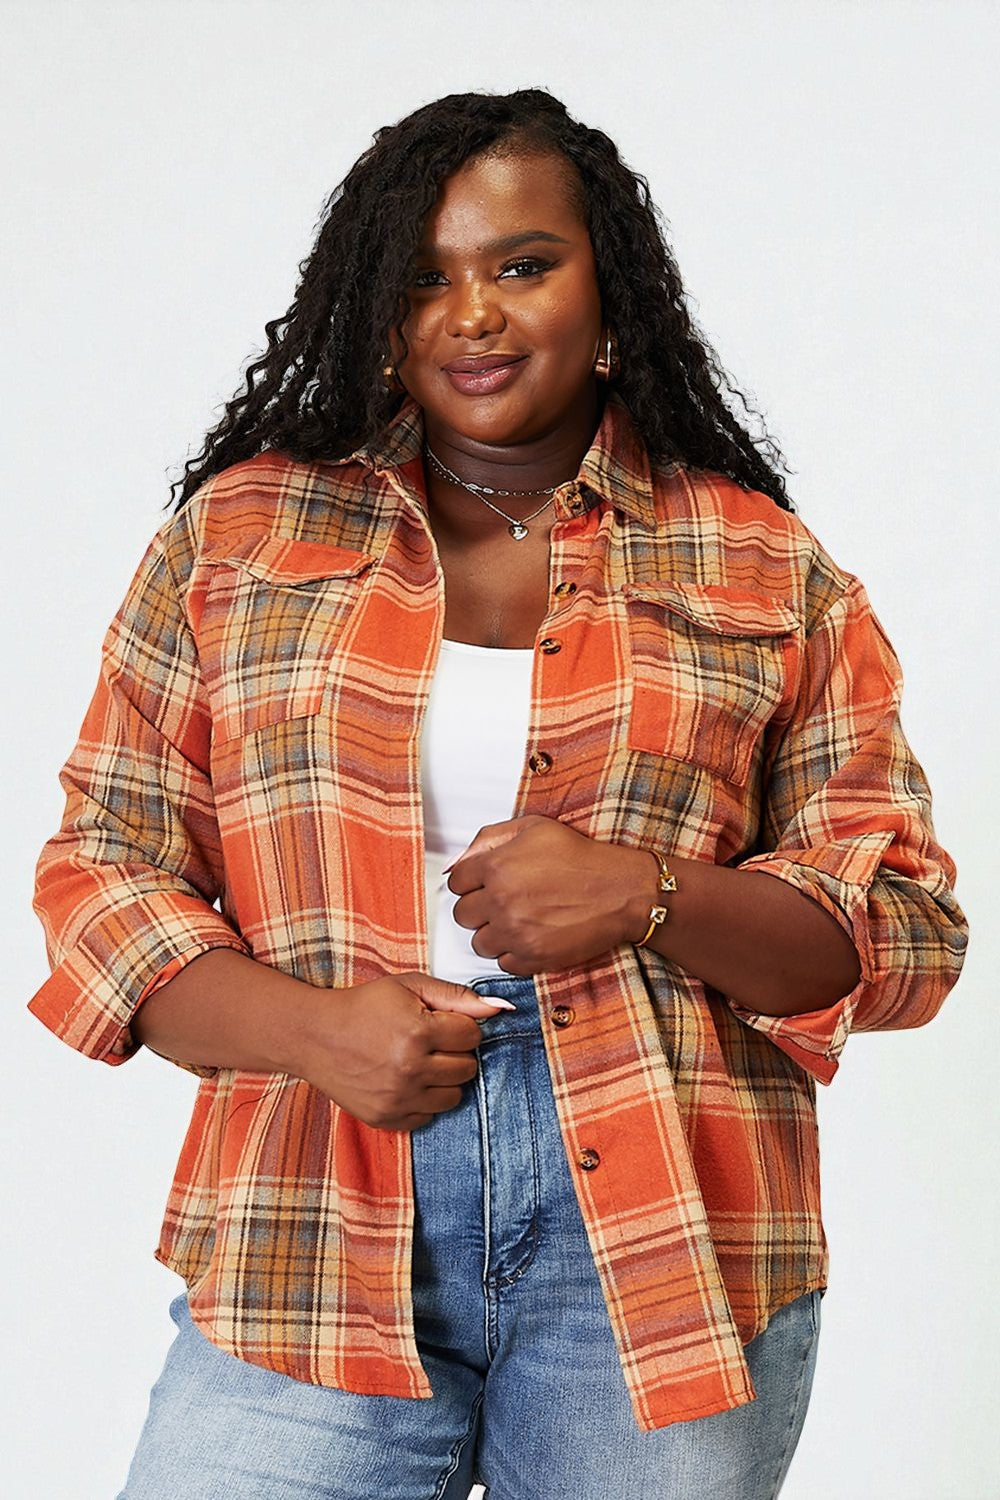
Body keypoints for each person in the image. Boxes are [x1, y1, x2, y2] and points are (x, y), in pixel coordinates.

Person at [29, 88, 967, 1500]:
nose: (473, 314)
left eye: (522, 264)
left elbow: (900, 931)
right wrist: (311, 1031)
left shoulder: (764, 566)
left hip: (664, 1230)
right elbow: (101, 872)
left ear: (611, 292)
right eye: (425, 278)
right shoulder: (240, 538)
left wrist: (647, 897)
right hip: (315, 1207)